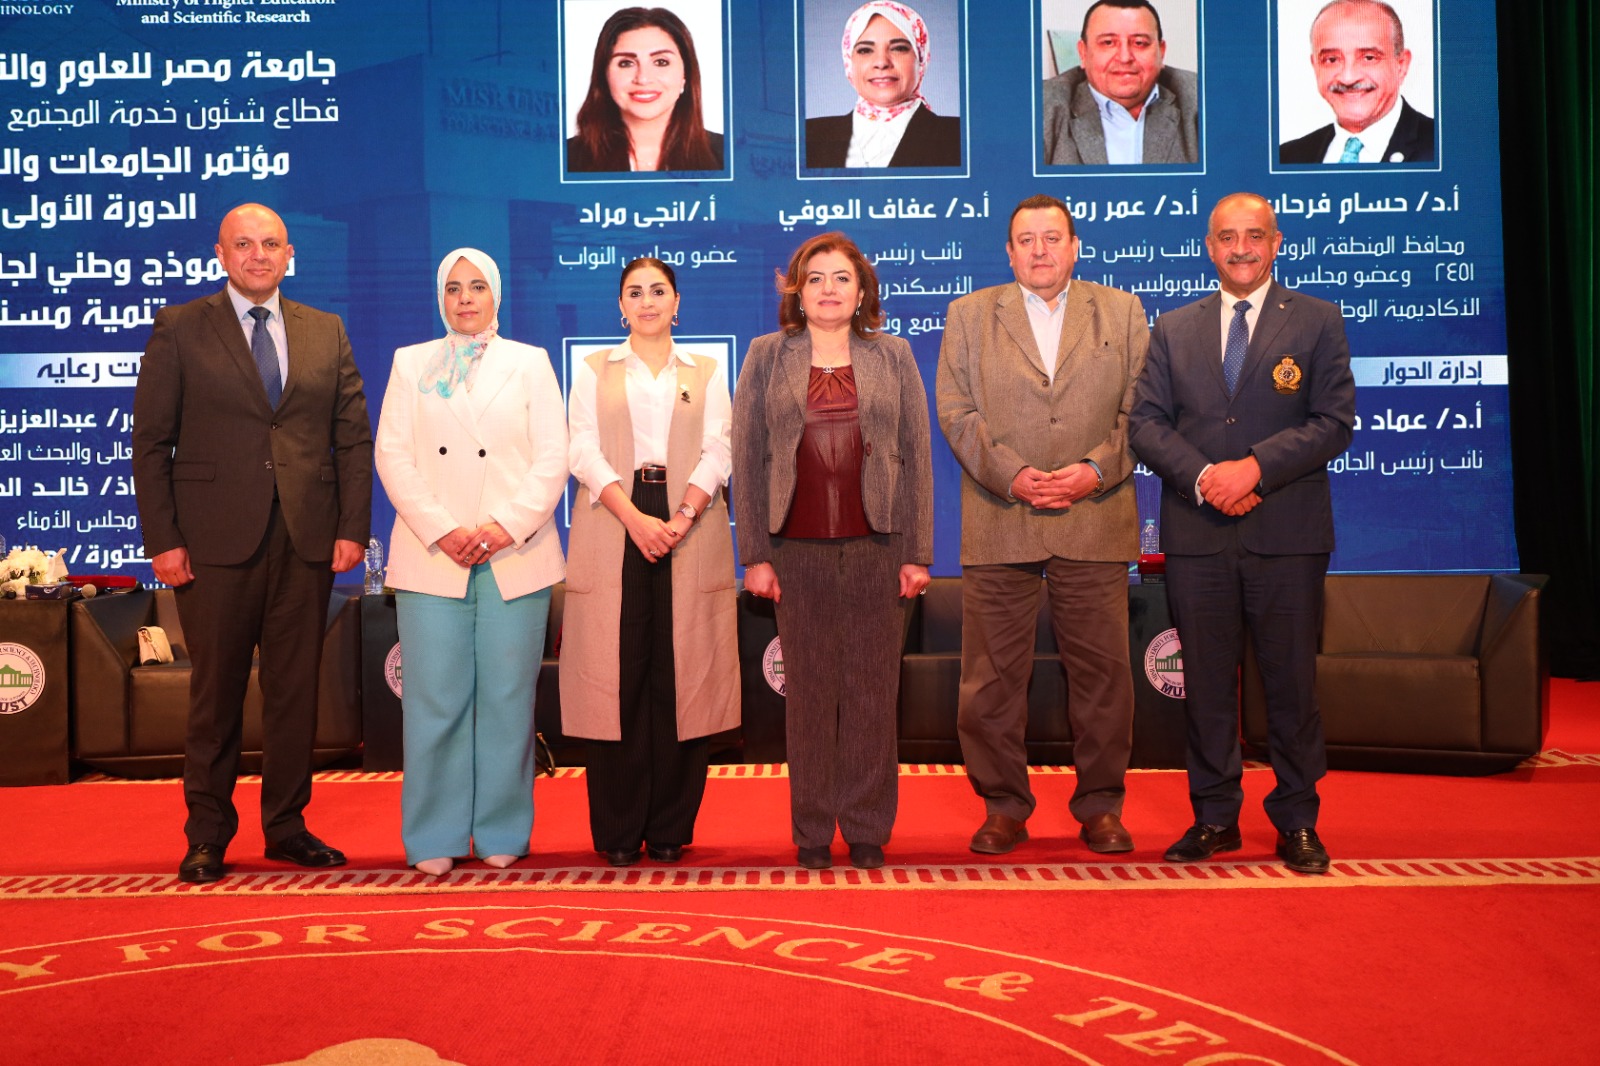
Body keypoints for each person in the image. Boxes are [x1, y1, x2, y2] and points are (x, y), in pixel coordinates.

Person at [131, 203, 372, 884]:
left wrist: (352, 527)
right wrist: (163, 538)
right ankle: (207, 834)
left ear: (289, 254)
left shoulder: (325, 329)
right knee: (216, 696)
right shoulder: (180, 327)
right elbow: (150, 442)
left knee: (295, 693)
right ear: (221, 254)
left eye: (270, 243)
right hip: (211, 543)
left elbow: (353, 438)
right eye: (243, 244)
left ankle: (287, 827)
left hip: (306, 539)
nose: (257, 255)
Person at [1128, 192, 1356, 875]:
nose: (1241, 248)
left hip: (1287, 534)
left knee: (1291, 684)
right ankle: (1214, 817)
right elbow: (1145, 424)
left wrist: (1254, 467)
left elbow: (1334, 421)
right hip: (1198, 534)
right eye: (1227, 237)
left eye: (1254, 235)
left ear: (1276, 242)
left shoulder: (1317, 320)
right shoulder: (1173, 327)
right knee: (1204, 684)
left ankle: (1297, 820)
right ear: (1209, 247)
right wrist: (1206, 477)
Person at [935, 194, 1147, 858]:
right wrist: (1013, 475)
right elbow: (955, 411)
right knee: (990, 682)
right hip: (1001, 516)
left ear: (1075, 247)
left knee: (1104, 678)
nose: (1039, 250)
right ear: (1009, 252)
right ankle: (1003, 806)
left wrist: (1095, 470)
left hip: (1094, 516)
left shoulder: (1123, 311)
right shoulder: (969, 315)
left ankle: (1101, 807)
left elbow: (1142, 411)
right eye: (1026, 240)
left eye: (1052, 238)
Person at [732, 231, 933, 870]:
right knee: (811, 697)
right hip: (795, 548)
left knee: (873, 691)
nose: (828, 289)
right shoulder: (766, 355)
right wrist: (754, 553)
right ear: (797, 291)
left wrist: (918, 551)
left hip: (880, 546)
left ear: (862, 290)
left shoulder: (894, 354)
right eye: (815, 278)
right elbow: (747, 456)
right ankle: (813, 828)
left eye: (841, 278)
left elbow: (917, 455)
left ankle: (868, 826)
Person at [373, 248, 568, 877]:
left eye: (477, 286)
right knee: (434, 700)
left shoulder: (531, 363)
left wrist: (505, 525)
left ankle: (503, 828)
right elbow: (392, 456)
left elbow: (554, 456)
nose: (465, 298)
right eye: (454, 288)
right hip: (434, 553)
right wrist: (445, 529)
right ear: (440, 297)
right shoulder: (410, 363)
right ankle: (435, 832)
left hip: (516, 551)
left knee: (509, 699)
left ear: (497, 295)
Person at [561, 257, 740, 867]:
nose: (646, 301)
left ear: (676, 302)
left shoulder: (706, 370)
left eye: (657, 291)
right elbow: (581, 448)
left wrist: (682, 515)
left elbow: (721, 448)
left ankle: (669, 826)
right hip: (615, 513)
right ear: (620, 306)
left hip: (689, 515)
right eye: (634, 292)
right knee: (618, 674)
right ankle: (618, 829)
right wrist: (635, 517)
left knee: (681, 672)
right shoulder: (594, 370)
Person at [805, 1, 961, 169]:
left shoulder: (959, 136)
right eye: (865, 50)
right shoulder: (807, 135)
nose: (881, 62)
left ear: (921, 58)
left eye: (898, 48)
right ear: (849, 62)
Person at [567, 6, 724, 172]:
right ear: (604, 75)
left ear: (685, 74)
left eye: (661, 62)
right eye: (626, 63)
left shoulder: (731, 156)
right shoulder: (562, 158)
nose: (643, 78)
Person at [1043, 0, 1199, 165]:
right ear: (1083, 53)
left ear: (1161, 52)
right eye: (1108, 42)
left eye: (1139, 43)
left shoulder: (1200, 98)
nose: (1125, 58)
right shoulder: (1043, 105)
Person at [1279, 0, 1434, 164]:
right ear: (1315, 66)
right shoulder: (1287, 157)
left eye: (1369, 58)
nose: (1348, 78)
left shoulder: (1444, 147)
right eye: (1332, 60)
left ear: (1401, 65)